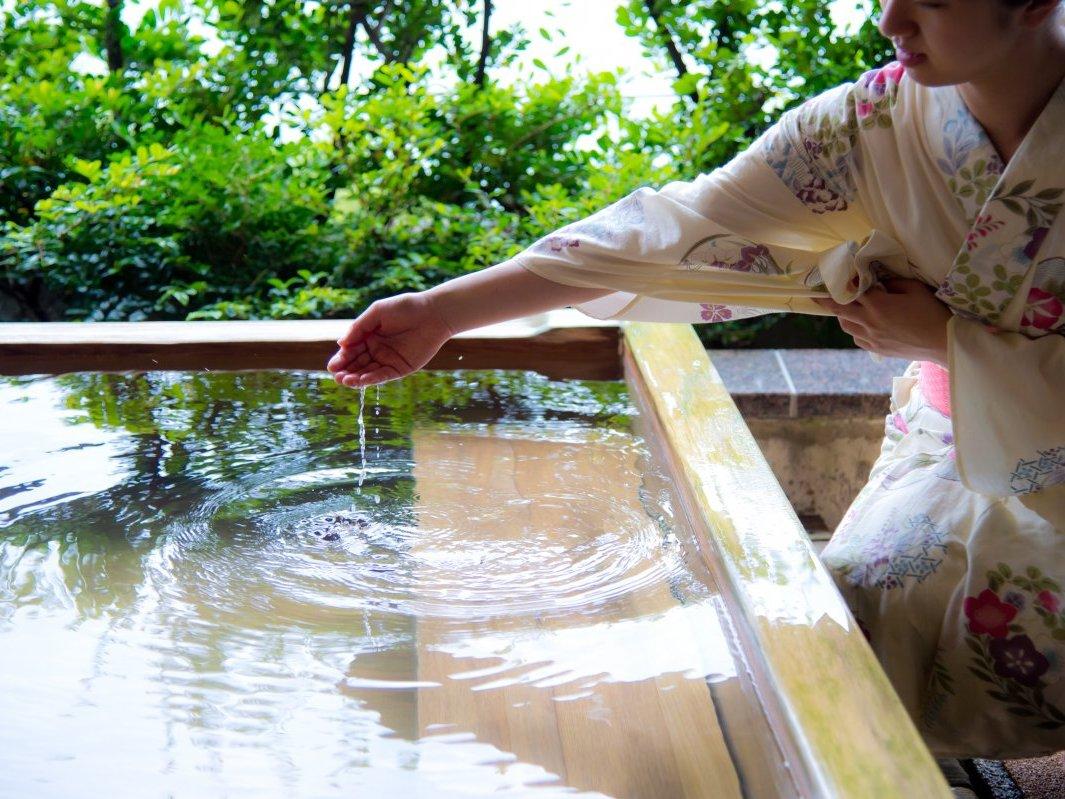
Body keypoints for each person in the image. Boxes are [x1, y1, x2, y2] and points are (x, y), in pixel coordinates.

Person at [328, 0, 1065, 758]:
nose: (889, 22)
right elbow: (675, 231)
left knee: (886, 655)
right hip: (947, 452)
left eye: (930, 2)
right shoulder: (872, 125)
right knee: (830, 642)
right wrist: (445, 309)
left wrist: (946, 342)